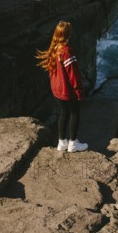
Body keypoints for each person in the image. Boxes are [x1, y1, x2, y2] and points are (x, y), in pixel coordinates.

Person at [36, 21, 88, 152]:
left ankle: (61, 142)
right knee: (75, 114)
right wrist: (79, 91)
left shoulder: (54, 49)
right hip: (68, 90)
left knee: (63, 113)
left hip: (57, 90)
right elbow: (73, 75)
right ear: (68, 34)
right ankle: (73, 144)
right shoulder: (66, 51)